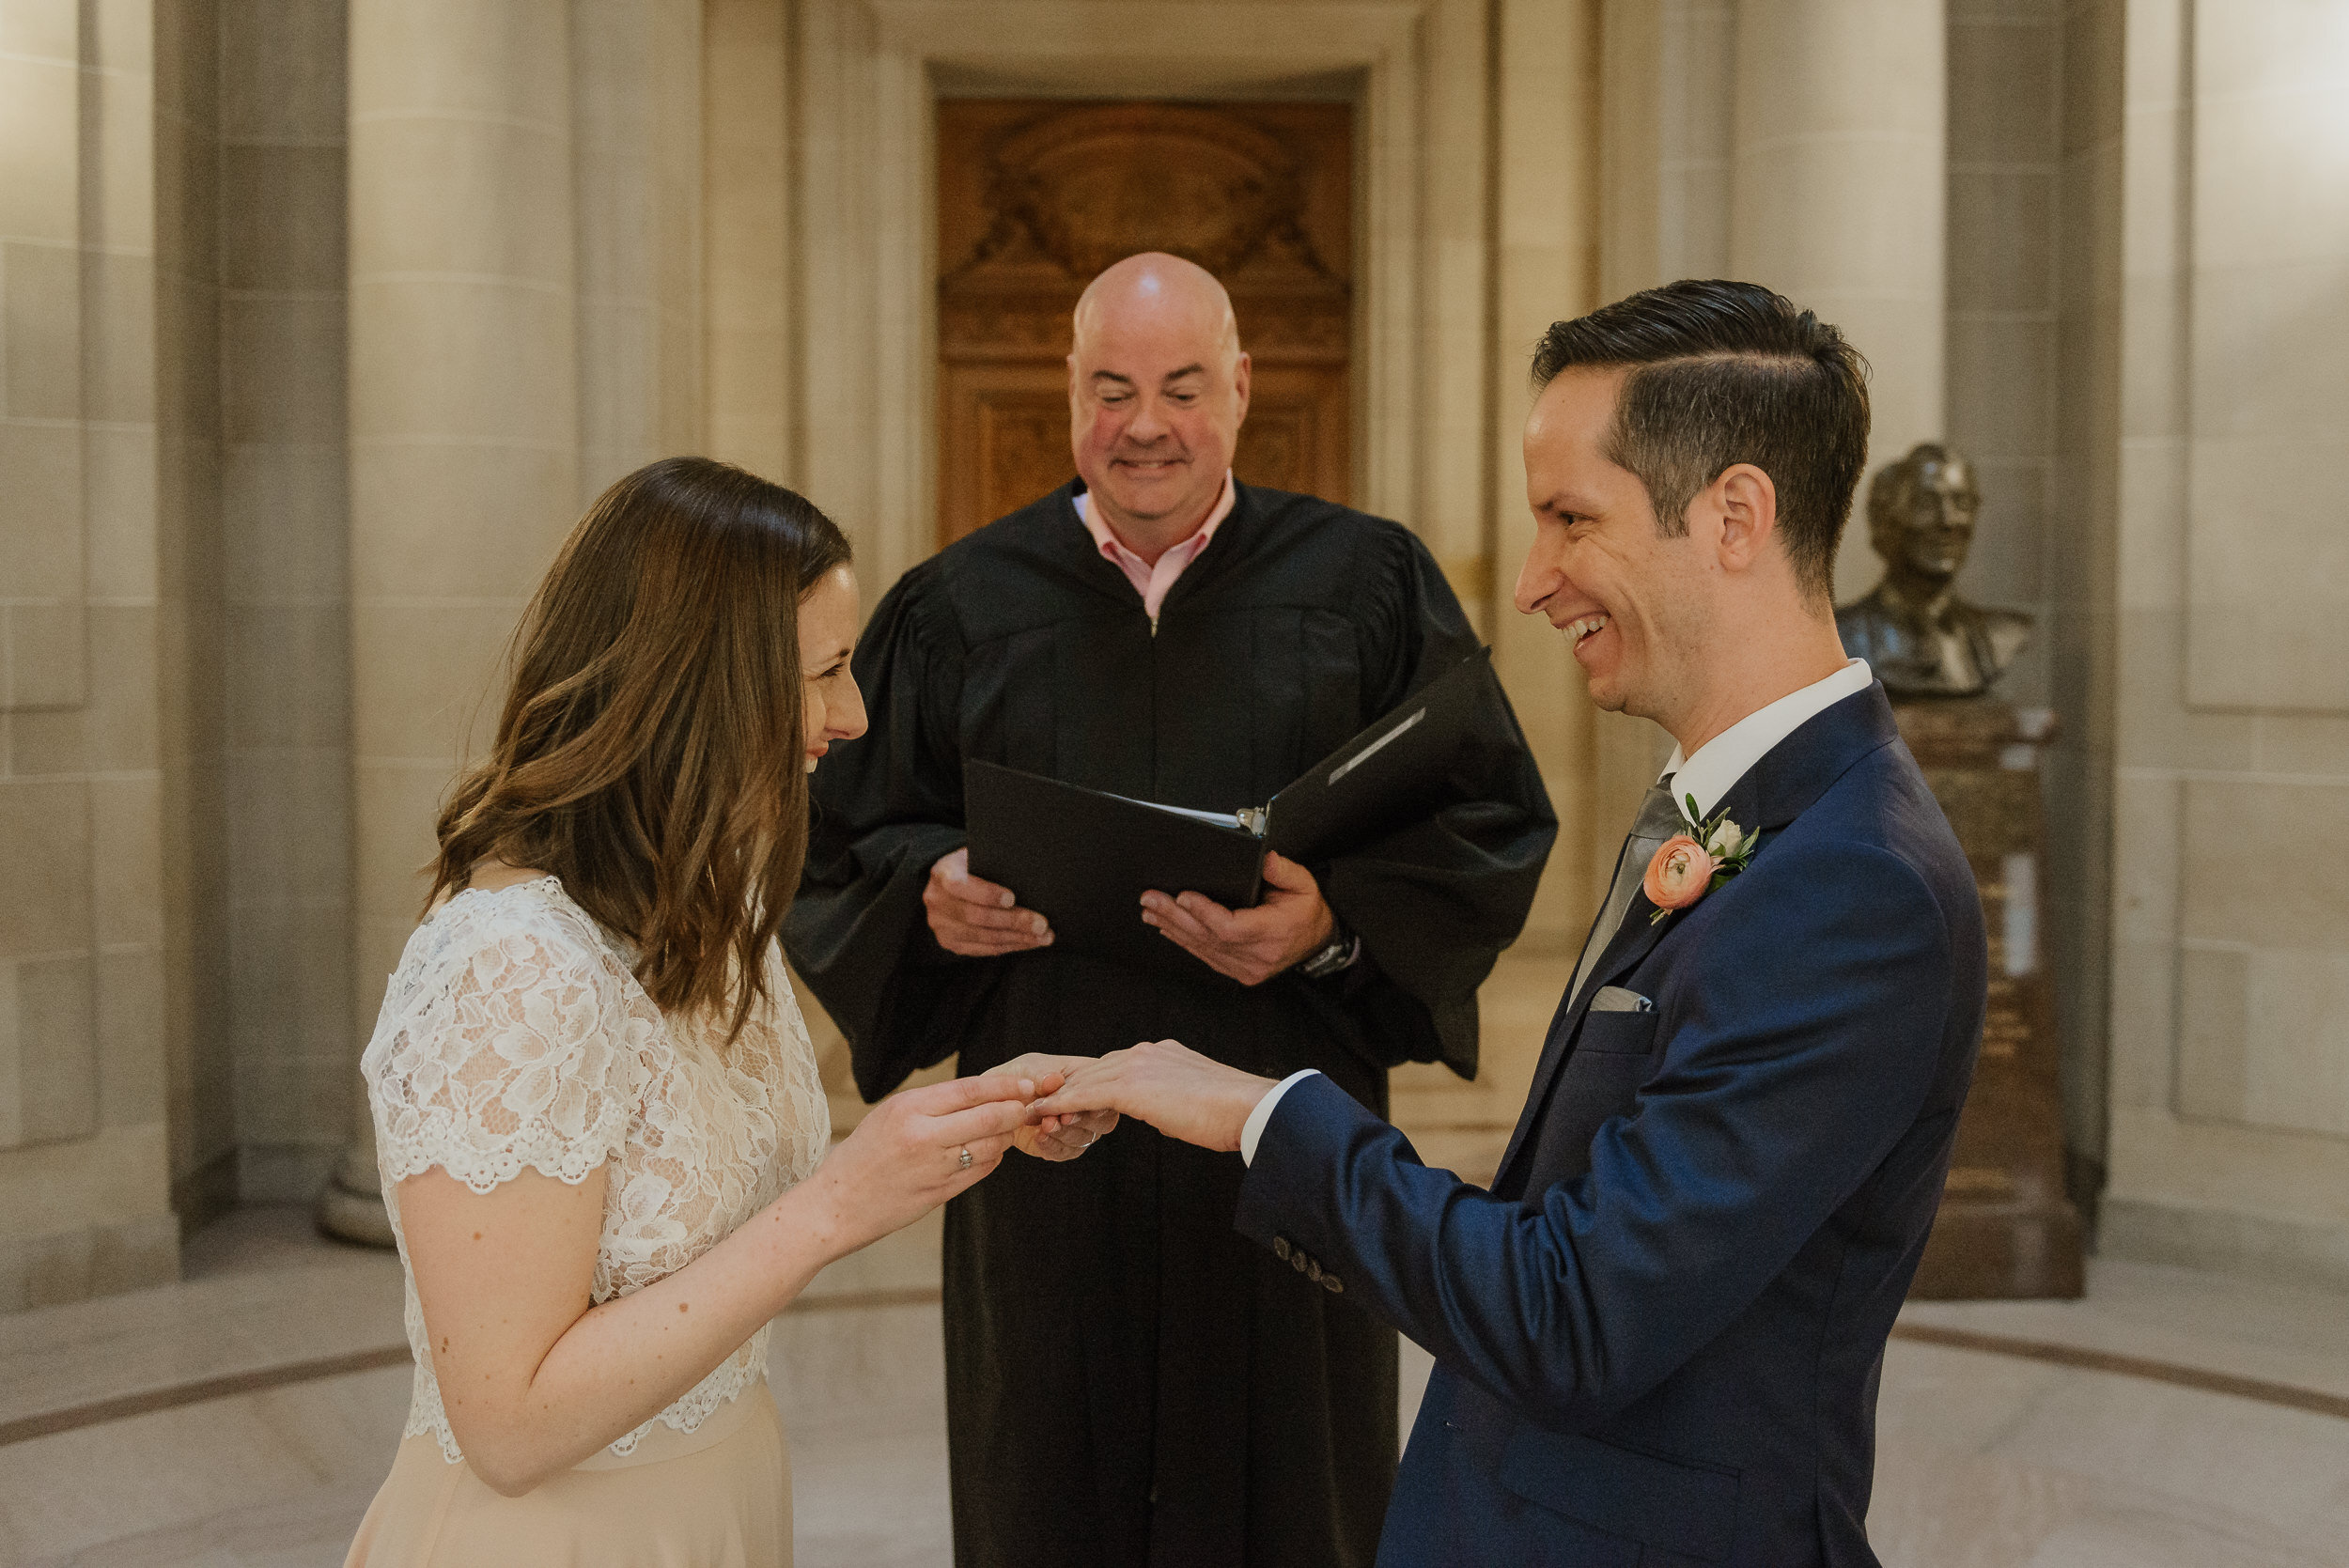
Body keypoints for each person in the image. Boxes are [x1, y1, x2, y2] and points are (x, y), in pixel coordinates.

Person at [1036, 280, 1991, 1568]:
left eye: (1570, 520)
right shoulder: (1740, 813)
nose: (1534, 581)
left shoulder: (1850, 883)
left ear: (1735, 515)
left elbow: (1575, 1313)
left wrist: (1260, 1112)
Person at [784, 254, 1556, 1566]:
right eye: (1113, 388)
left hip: (1283, 1117)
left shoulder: (1366, 583)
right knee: (1048, 1473)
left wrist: (1332, 921)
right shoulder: (962, 602)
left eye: (1184, 388)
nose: (1145, 425)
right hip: (1046, 1130)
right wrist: (933, 889)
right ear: (1069, 393)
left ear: (1243, 389)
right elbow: (836, 827)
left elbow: (1484, 817)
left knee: (1291, 1485)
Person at [344, 458, 1112, 1568]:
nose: (851, 716)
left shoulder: (703, 904)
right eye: (827, 672)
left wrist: (956, 1129)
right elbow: (507, 1425)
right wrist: (841, 1205)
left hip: (719, 1498)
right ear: (698, 684)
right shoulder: (508, 969)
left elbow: (692, 1213)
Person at [1834, 441, 2032, 697]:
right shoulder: (1843, 635)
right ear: (1887, 520)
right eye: (1926, 504)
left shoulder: (2001, 635)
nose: (1947, 521)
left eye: (1961, 503)